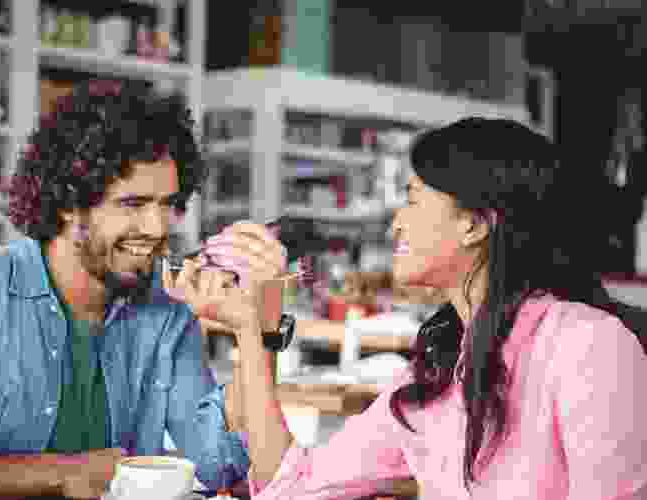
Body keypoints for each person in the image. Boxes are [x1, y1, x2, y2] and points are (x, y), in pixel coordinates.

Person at [172, 117, 647, 499]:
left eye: (413, 200)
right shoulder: (437, 372)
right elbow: (292, 488)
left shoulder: (589, 345)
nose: (396, 224)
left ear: (476, 224)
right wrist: (253, 333)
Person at [0, 78, 287, 499]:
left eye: (168, 205)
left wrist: (256, 328)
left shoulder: (166, 312)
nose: (158, 229)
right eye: (133, 204)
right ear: (68, 204)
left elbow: (217, 464)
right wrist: (61, 473)